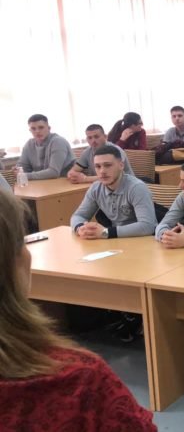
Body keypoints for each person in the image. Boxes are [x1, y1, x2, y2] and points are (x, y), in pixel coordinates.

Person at [0, 191, 157, 431]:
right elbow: (77, 217)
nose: (101, 173)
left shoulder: (135, 188)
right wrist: (82, 227)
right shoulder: (79, 381)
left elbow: (148, 225)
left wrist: (105, 232)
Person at [70, 145, 157, 239]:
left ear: (121, 165)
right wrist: (80, 228)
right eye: (98, 166)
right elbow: (79, 215)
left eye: (108, 165)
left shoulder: (137, 188)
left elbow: (148, 226)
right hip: (116, 241)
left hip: (142, 240)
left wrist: (105, 232)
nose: (102, 171)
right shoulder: (95, 188)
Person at [68, 124, 133, 184]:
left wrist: (85, 179)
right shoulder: (87, 152)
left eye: (96, 137)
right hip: (102, 185)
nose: (93, 141)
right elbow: (73, 170)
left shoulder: (115, 150)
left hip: (126, 185)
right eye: (90, 138)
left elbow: (114, 176)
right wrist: (72, 175)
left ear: (105, 137)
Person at [18, 114, 75, 180]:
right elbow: (22, 168)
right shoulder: (29, 144)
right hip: (43, 183)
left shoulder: (58, 142)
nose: (37, 131)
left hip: (65, 182)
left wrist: (24, 175)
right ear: (30, 130)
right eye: (33, 129)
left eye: (41, 127)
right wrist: (18, 170)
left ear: (49, 128)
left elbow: (53, 172)